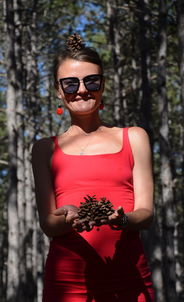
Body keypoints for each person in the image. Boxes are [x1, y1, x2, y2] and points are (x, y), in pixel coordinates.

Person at [31, 33, 154, 302]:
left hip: (130, 279)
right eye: (71, 83)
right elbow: (49, 225)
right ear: (58, 90)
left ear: (103, 85)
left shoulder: (134, 137)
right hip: (68, 283)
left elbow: (146, 213)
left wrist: (122, 219)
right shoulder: (44, 149)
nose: (82, 90)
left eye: (92, 81)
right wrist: (68, 217)